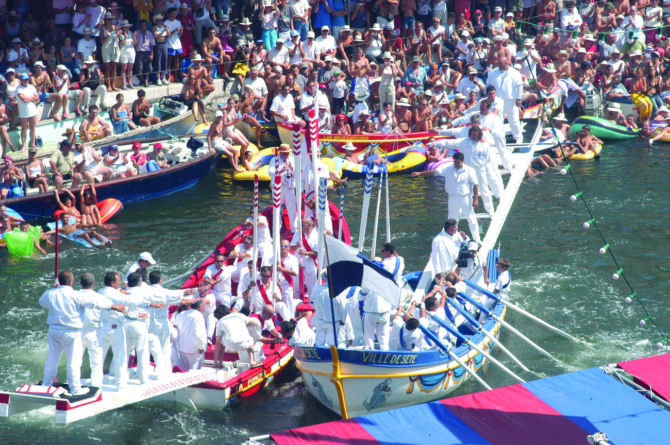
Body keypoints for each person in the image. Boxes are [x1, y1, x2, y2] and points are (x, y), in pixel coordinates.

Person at [39, 270, 125, 395]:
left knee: (52, 359)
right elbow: (95, 302)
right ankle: (75, 389)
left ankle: (46, 385)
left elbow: (41, 301)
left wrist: (51, 289)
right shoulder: (76, 295)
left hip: (54, 331)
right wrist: (116, 307)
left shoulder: (51, 293)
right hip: (72, 332)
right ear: (71, 281)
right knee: (73, 362)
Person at [411, 152, 481, 243]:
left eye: (458, 162)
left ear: (463, 161)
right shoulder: (448, 168)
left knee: (471, 219)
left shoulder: (470, 170)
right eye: (455, 162)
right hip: (452, 198)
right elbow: (434, 172)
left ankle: (477, 240)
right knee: (452, 220)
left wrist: (475, 199)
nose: (456, 164)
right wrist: (420, 173)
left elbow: (475, 185)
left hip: (465, 198)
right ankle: (453, 239)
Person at [486, 55, 524, 144]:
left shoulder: (515, 73)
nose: (498, 64)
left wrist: (519, 98)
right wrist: (487, 96)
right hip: (497, 100)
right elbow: (488, 84)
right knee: (497, 121)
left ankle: (518, 138)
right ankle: (499, 139)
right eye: (498, 63)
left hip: (510, 100)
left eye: (500, 63)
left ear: (506, 63)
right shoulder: (493, 73)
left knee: (513, 120)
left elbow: (519, 86)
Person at [311, 280, 349, 348]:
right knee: (331, 345)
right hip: (334, 322)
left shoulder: (315, 289)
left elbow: (312, 303)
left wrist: (319, 309)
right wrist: (343, 320)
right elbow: (344, 308)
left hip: (320, 320)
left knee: (318, 343)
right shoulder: (339, 291)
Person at [173, 299, 208, 370]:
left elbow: (175, 324)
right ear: (200, 306)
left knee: (185, 371)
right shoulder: (198, 315)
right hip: (194, 349)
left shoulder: (182, 314)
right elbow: (198, 333)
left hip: (182, 348)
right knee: (195, 373)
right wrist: (201, 346)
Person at [290, 217, 319, 297]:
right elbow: (291, 247)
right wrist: (297, 246)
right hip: (298, 262)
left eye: (302, 225)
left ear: (309, 225)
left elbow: (317, 252)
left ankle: (312, 307)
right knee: (296, 287)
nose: (300, 227)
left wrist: (305, 253)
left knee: (312, 288)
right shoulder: (298, 234)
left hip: (310, 263)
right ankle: (296, 304)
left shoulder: (316, 236)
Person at [16, 72, 39, 152]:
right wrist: (32, 98)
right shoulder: (19, 88)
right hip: (24, 112)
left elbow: (37, 98)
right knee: (24, 129)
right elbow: (24, 99)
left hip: (33, 111)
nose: (26, 81)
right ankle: (24, 146)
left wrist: (29, 98)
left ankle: (33, 144)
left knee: (33, 128)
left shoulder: (32, 87)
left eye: (27, 79)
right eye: (24, 80)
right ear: (21, 80)